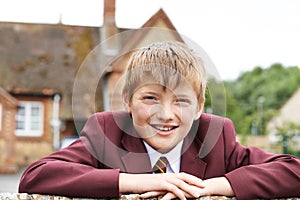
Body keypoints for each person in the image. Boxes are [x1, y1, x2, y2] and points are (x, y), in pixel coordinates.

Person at [19, 41, 300, 200]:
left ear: (200, 106)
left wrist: (210, 186)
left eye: (181, 100)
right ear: (127, 100)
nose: (166, 114)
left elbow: (293, 171)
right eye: (150, 98)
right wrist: (136, 182)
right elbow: (36, 175)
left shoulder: (216, 135)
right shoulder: (106, 130)